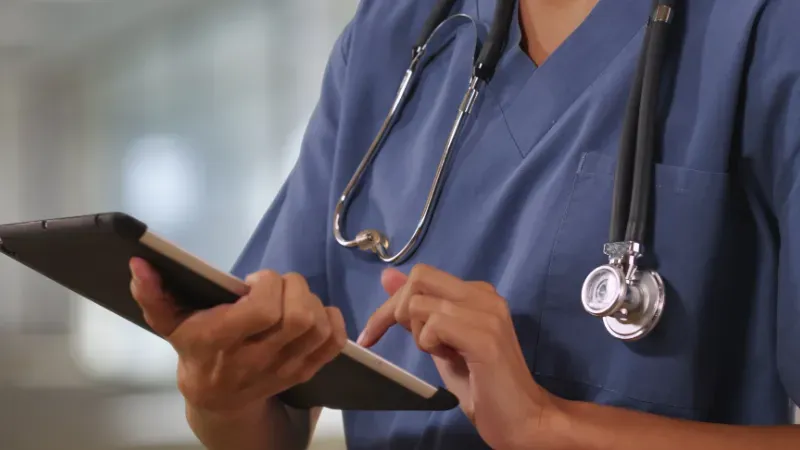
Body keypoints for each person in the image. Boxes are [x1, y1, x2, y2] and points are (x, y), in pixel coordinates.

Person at [129, 0, 800, 448]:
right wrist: (220, 399)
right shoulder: (393, 35)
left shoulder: (762, 29)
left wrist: (548, 426)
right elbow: (277, 410)